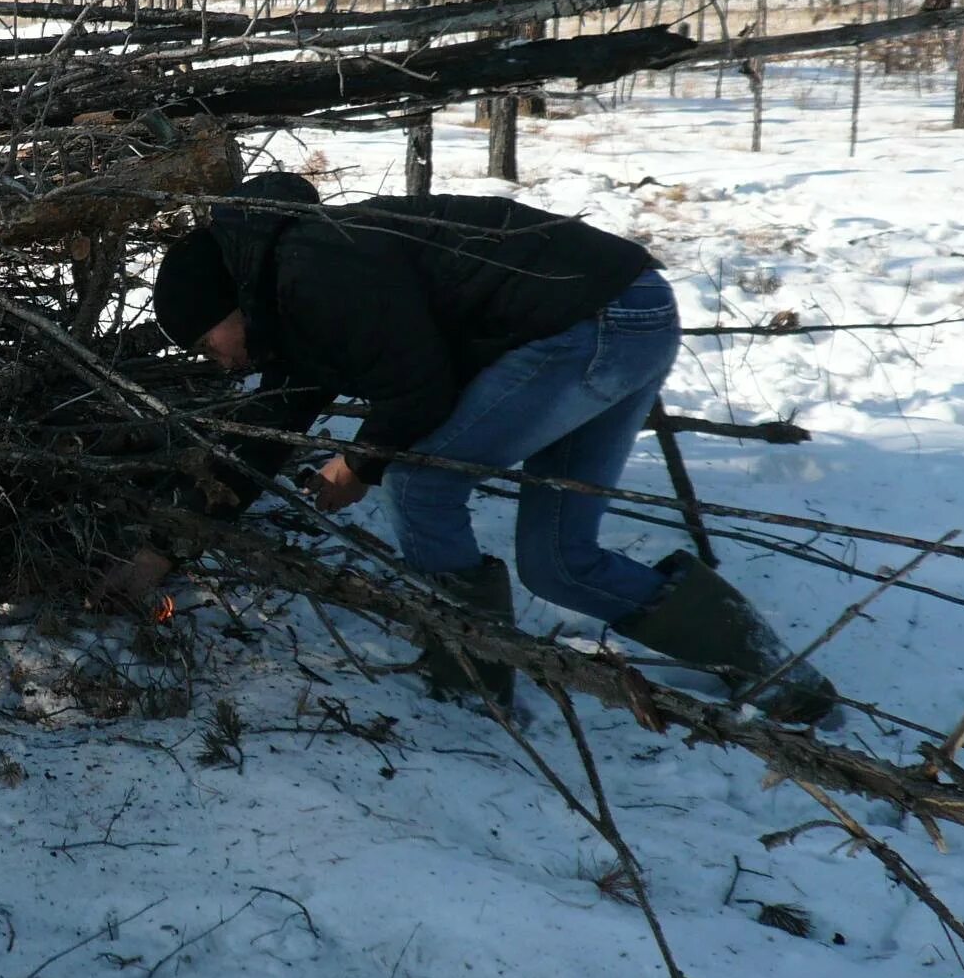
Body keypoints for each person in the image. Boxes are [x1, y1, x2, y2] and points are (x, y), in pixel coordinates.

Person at [130, 172, 836, 723]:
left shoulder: (314, 267)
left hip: (596, 321)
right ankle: (777, 675)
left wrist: (361, 462)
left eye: (204, 342)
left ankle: (471, 679)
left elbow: (420, 390)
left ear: (225, 305)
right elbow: (261, 438)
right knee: (559, 563)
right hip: (627, 311)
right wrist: (166, 545)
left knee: (421, 486)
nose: (213, 360)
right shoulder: (290, 294)